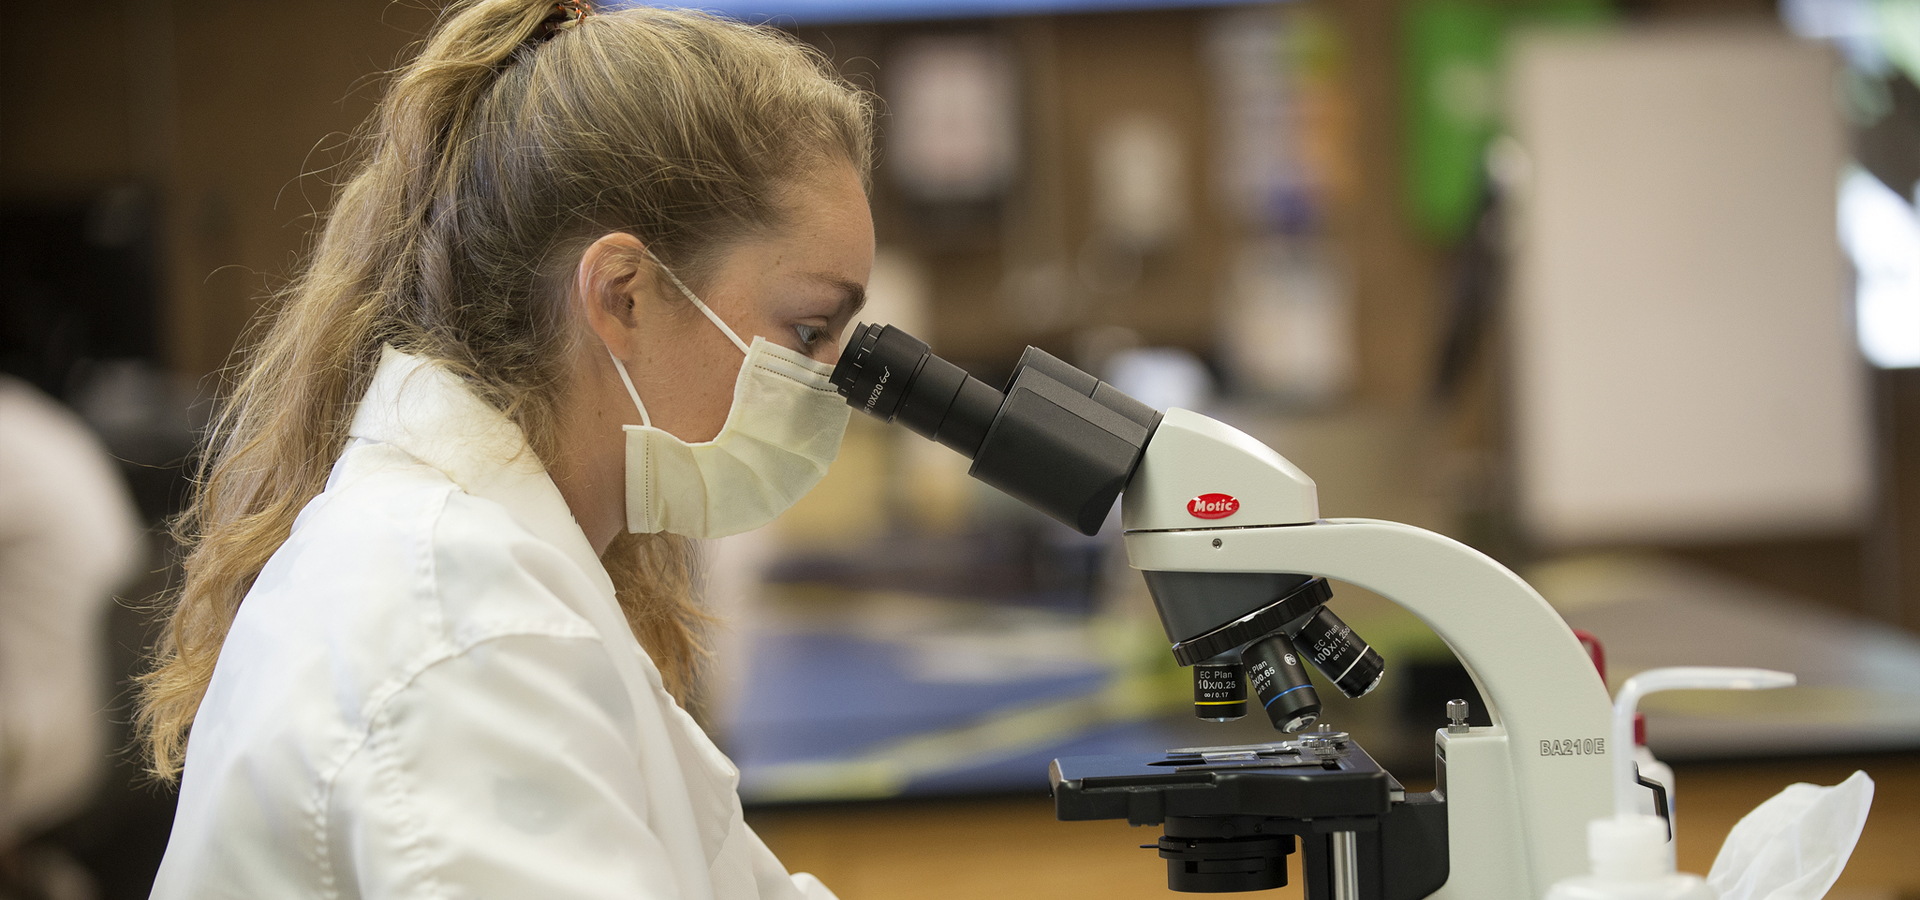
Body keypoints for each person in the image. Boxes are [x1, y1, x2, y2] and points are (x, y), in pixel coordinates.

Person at [136, 2, 874, 897]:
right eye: (805, 330)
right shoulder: (462, 621)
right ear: (623, 296)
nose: (825, 380)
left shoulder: (499, 571)